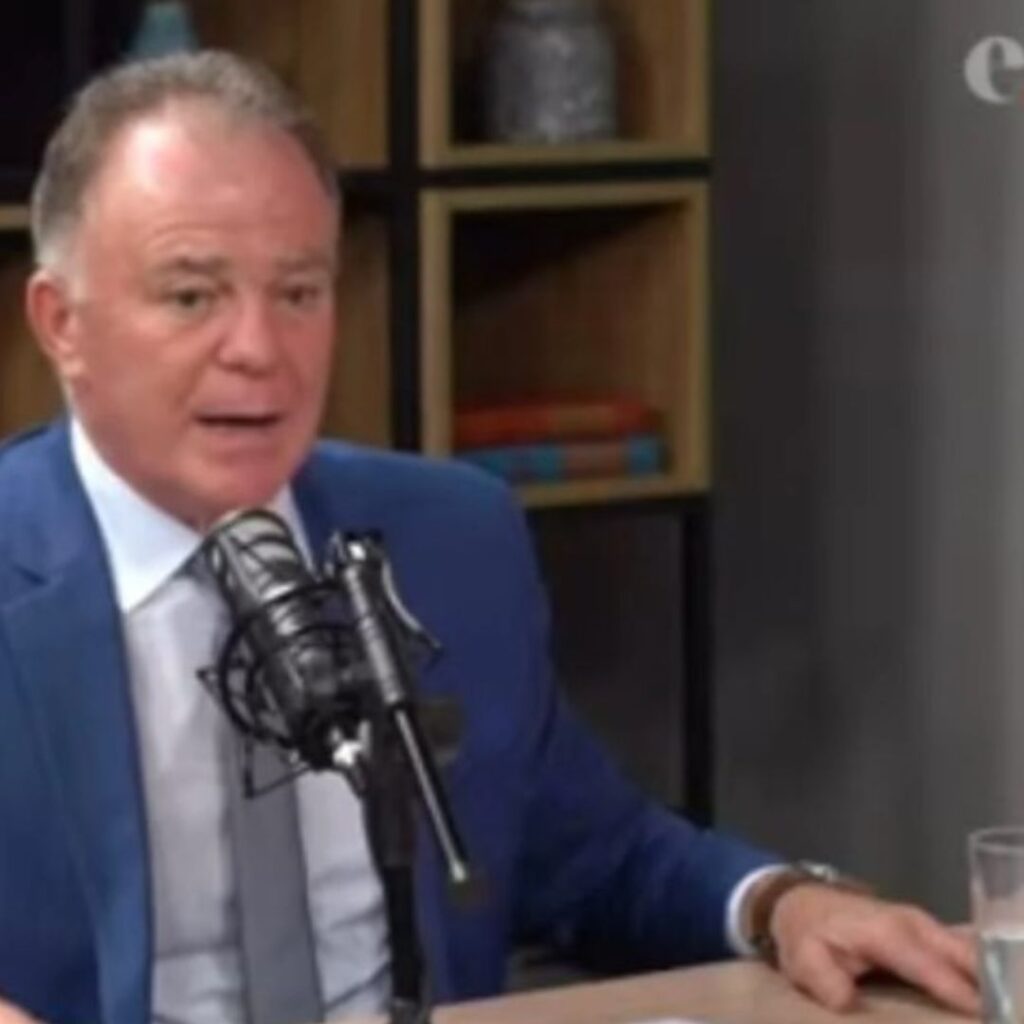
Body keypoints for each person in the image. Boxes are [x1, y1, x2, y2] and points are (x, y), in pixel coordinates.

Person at [0, 51, 977, 1024]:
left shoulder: (450, 538)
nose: (259, 350)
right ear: (61, 324)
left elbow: (599, 859)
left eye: (299, 293)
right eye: (191, 296)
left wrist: (782, 906)